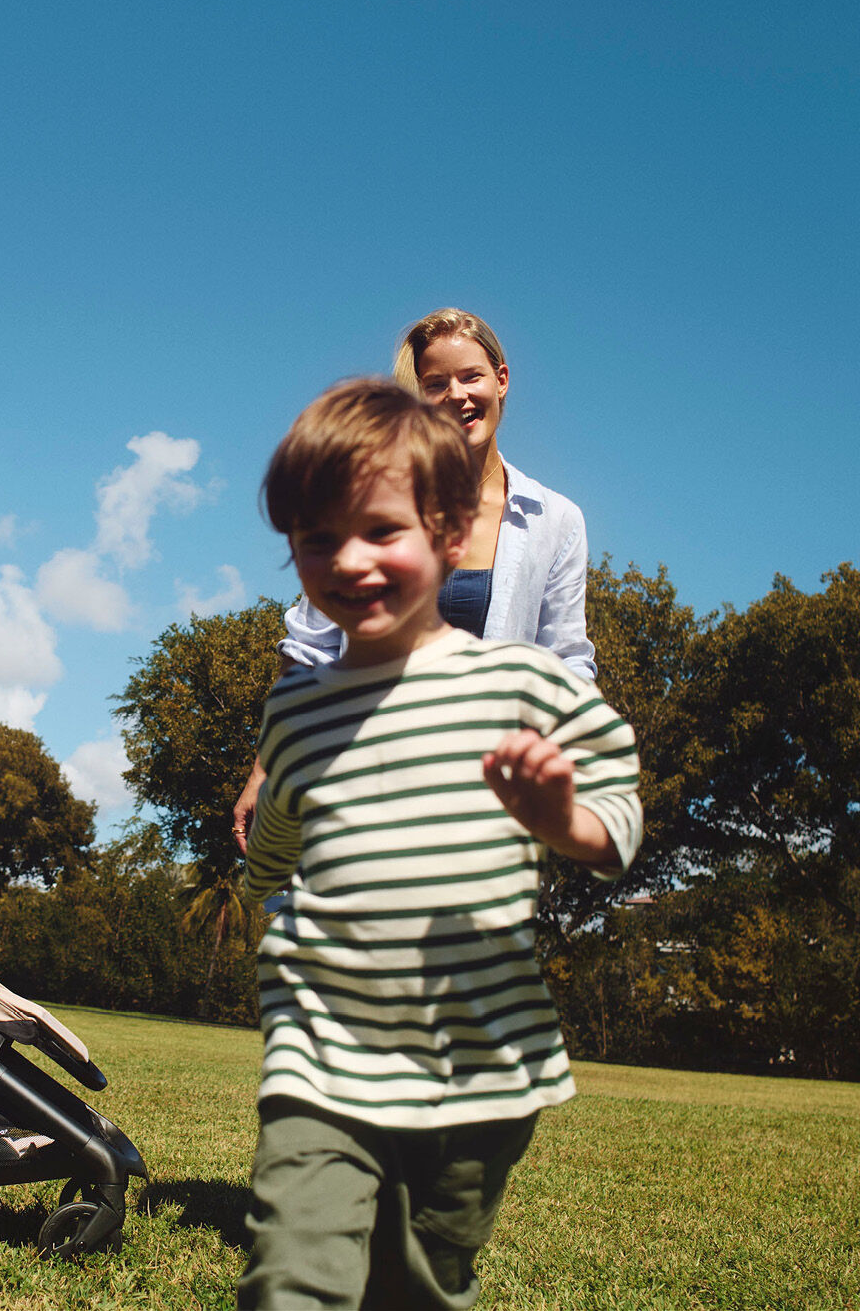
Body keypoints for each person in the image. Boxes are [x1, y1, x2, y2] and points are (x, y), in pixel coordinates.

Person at [238, 379, 641, 1310]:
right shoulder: (295, 711)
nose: (349, 562)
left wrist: (561, 820)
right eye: (315, 540)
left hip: (481, 1067)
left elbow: (617, 814)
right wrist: (262, 869)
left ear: (450, 535)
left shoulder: (520, 687)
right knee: (290, 1277)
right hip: (324, 1053)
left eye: (381, 531)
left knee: (419, 1288)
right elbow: (279, 839)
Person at [232, 308, 595, 853]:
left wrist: (572, 769)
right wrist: (265, 766)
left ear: (502, 379)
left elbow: (567, 662)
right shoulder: (378, 499)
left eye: (471, 376)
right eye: (435, 384)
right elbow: (309, 646)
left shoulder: (556, 521)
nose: (457, 395)